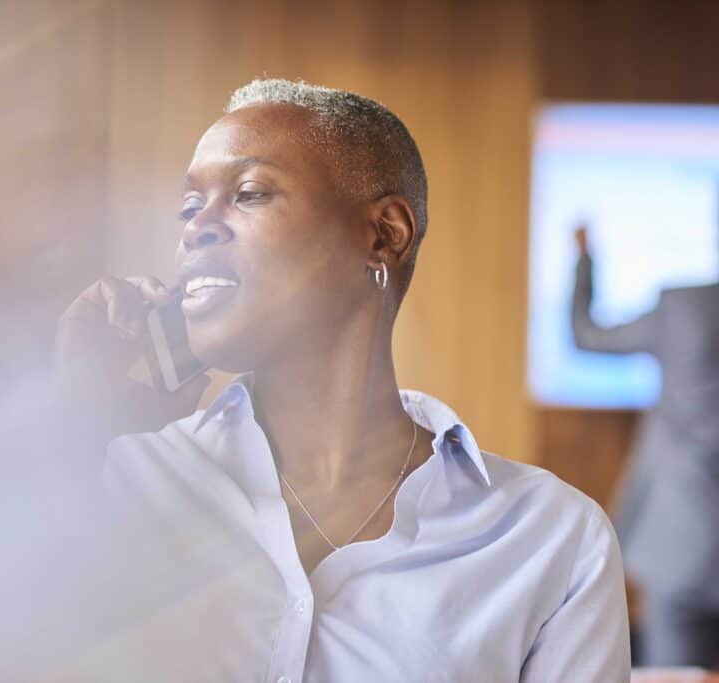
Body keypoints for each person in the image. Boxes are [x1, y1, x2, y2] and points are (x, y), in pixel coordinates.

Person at [54, 79, 630, 681]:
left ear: (384, 236)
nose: (197, 226)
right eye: (190, 206)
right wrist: (73, 428)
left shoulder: (552, 540)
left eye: (248, 193)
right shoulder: (112, 479)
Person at [572, 225, 719, 668]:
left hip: (681, 539)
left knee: (673, 673)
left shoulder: (683, 307)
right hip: (683, 543)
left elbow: (587, 336)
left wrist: (584, 257)